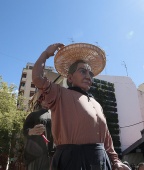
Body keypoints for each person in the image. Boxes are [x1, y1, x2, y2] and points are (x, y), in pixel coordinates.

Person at [32, 42, 131, 170]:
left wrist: (115, 161)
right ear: (70, 78)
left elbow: (106, 137)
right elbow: (37, 77)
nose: (88, 76)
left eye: (90, 74)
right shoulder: (60, 93)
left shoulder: (97, 104)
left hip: (99, 160)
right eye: (83, 71)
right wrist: (45, 54)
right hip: (71, 160)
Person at [23, 93, 54, 170]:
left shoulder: (56, 115)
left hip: (52, 154)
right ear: (41, 100)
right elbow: (24, 131)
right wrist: (32, 131)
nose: (48, 100)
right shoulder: (33, 115)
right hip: (35, 156)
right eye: (45, 98)